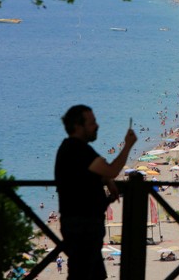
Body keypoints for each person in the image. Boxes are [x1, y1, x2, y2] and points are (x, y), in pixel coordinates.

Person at [55, 104, 137, 280]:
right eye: (92, 123)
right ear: (78, 126)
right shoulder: (77, 149)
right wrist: (128, 145)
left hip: (81, 224)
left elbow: (90, 173)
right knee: (83, 274)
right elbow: (112, 169)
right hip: (82, 225)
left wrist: (107, 181)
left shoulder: (72, 148)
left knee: (93, 274)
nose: (97, 126)